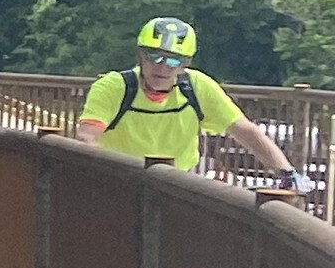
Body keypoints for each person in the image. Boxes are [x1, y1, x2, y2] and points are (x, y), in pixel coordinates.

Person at [73, 16, 302, 183]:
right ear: (140, 55)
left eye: (173, 61)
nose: (162, 67)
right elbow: (87, 138)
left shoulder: (197, 86)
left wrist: (286, 172)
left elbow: (244, 130)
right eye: (154, 57)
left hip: (178, 184)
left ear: (186, 64)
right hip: (118, 181)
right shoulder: (113, 87)